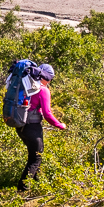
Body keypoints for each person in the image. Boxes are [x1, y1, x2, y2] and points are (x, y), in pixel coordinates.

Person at [16, 63, 66, 191]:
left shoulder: (24, 85)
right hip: (32, 127)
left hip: (20, 126)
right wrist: (60, 125)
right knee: (36, 158)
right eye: (49, 78)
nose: (49, 81)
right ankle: (22, 189)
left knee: (35, 155)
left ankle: (39, 183)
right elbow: (47, 113)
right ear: (43, 76)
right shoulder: (42, 90)